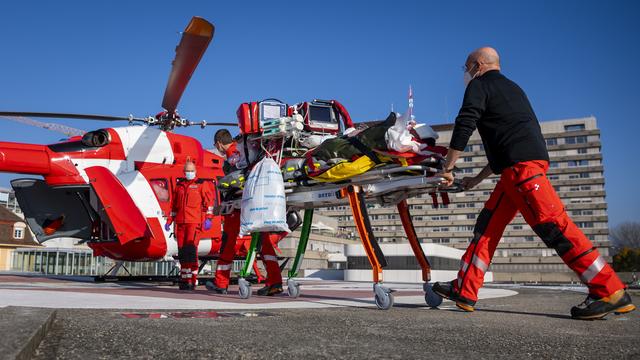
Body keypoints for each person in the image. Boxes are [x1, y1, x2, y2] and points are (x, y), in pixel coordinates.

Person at [433, 47, 635, 320]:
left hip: (522, 172)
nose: (465, 74)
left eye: (466, 67)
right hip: (515, 171)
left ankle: (609, 290)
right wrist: (476, 180)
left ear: (478, 65)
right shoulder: (514, 90)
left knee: (556, 229)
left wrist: (448, 167)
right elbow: (508, 144)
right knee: (486, 228)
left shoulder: (480, 85)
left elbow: (465, 122)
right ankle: (465, 289)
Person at [206, 129, 286, 296]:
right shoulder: (249, 148)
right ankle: (275, 281)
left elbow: (235, 179)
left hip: (238, 206)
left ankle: (221, 282)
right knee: (264, 243)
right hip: (258, 205)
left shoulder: (233, 154)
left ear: (219, 144)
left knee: (228, 243)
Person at [165, 161, 214, 290]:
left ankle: (192, 279)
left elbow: (209, 203)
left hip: (194, 222)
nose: (189, 173)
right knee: (182, 251)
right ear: (183, 172)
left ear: (195, 171)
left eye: (191, 170)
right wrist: (170, 220)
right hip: (181, 223)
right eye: (187, 170)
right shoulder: (179, 186)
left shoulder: (201, 185)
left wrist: (209, 218)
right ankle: (184, 277)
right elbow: (174, 206)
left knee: (191, 250)